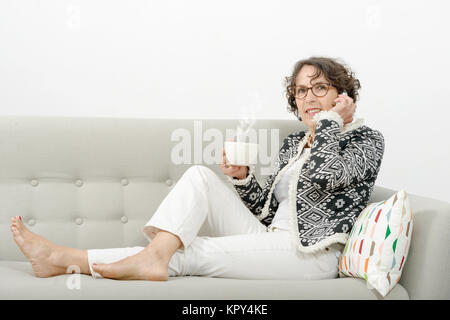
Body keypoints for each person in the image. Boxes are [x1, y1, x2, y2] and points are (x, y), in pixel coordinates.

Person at [9, 56, 384, 281]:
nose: (308, 98)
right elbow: (266, 214)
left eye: (319, 88)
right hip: (275, 238)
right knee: (201, 177)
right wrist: (244, 179)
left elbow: (324, 175)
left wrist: (331, 122)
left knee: (191, 250)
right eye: (301, 91)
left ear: (342, 94)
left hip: (312, 256)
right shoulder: (295, 143)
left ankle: (65, 259)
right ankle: (149, 257)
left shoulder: (367, 140)